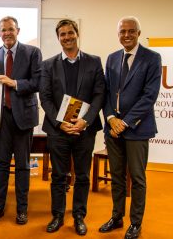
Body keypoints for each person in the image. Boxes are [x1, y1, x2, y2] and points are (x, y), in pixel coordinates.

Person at [39, 19, 105, 235]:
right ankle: (57, 215)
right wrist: (60, 122)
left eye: (70, 33)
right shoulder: (48, 65)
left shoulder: (94, 62)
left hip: (85, 129)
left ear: (77, 34)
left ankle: (79, 215)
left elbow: (99, 94)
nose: (66, 37)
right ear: (58, 38)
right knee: (58, 175)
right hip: (58, 130)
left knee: (83, 176)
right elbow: (45, 98)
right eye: (62, 34)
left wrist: (85, 120)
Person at [99, 16, 161, 239]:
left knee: (137, 177)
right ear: (118, 34)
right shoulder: (112, 58)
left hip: (137, 128)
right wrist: (110, 118)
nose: (126, 35)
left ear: (138, 33)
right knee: (116, 176)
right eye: (122, 31)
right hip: (112, 129)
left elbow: (149, 96)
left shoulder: (152, 58)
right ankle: (117, 217)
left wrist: (124, 122)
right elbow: (105, 92)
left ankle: (135, 223)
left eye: (131, 31)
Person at [0, 16, 42, 225]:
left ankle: (22, 210)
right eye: (3, 30)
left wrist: (14, 83)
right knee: (0, 164)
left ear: (18, 30)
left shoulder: (32, 52)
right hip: (1, 118)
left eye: (11, 29)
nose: (7, 33)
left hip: (23, 117)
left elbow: (38, 82)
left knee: (22, 166)